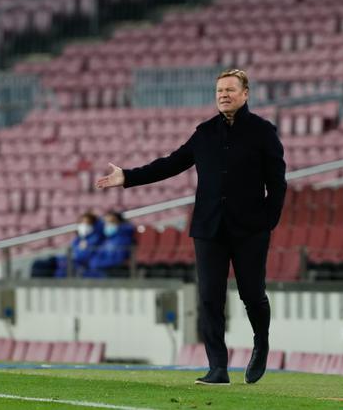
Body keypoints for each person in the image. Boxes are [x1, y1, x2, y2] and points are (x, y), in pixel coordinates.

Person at [96, 69, 286, 385]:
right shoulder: (204, 133)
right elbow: (170, 164)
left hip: (250, 229)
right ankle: (218, 367)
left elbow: (277, 183)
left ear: (245, 94)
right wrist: (127, 176)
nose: (223, 95)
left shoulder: (263, 132)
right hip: (208, 229)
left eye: (229, 89)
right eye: (219, 91)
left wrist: (268, 221)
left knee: (252, 294)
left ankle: (261, 341)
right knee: (209, 298)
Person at [30, 212, 103, 278]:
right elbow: (73, 252)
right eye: (82, 223)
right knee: (38, 264)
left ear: (93, 225)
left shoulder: (95, 240)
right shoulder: (78, 239)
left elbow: (82, 257)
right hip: (66, 262)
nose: (84, 225)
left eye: (87, 223)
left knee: (42, 267)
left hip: (75, 266)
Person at [84, 211, 135, 278]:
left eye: (111, 222)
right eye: (106, 222)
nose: (108, 224)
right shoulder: (106, 239)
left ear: (119, 223)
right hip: (101, 271)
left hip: (111, 274)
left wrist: (97, 264)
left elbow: (118, 260)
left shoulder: (123, 239)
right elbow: (97, 255)